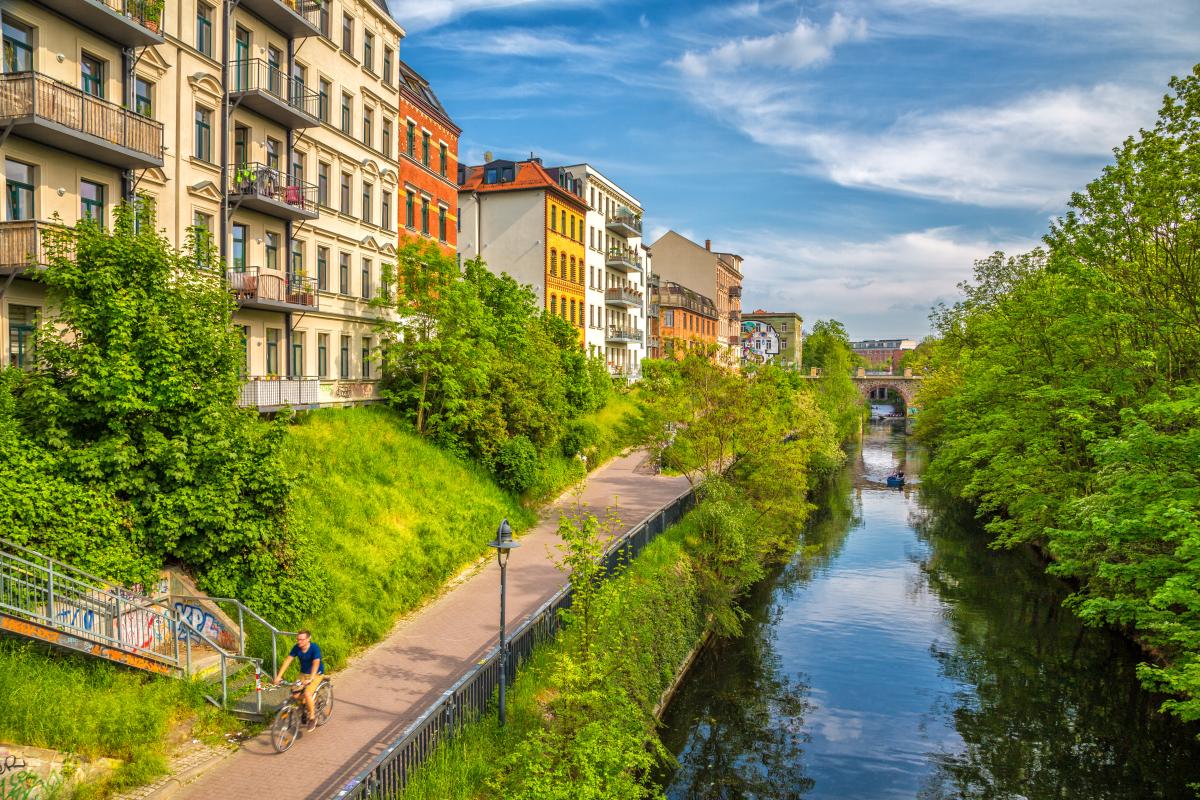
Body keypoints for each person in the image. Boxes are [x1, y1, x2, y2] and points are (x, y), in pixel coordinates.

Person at [274, 630, 324, 731]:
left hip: (316, 674)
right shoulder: (297, 648)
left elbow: (316, 663)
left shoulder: (314, 648)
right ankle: (306, 705)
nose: (299, 642)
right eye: (298, 639)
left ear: (308, 639)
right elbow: (288, 660)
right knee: (295, 695)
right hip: (303, 674)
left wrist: (311, 678)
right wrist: (279, 676)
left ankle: (312, 718)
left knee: (307, 693)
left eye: (301, 639)